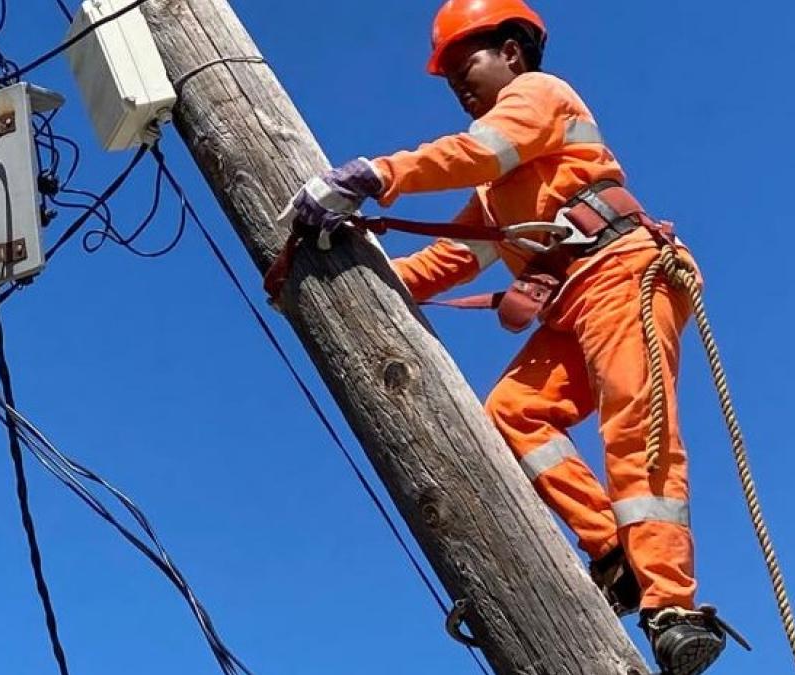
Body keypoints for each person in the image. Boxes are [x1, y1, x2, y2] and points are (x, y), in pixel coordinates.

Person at [290, 1, 732, 673]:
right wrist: (335, 278)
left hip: (624, 270)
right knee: (515, 411)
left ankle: (671, 604)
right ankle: (614, 556)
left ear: (512, 54)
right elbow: (451, 259)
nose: (457, 87)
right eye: (448, 79)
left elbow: (475, 152)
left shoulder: (538, 97)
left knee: (635, 426)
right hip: (577, 298)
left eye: (464, 67)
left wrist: (373, 175)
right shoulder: (500, 193)